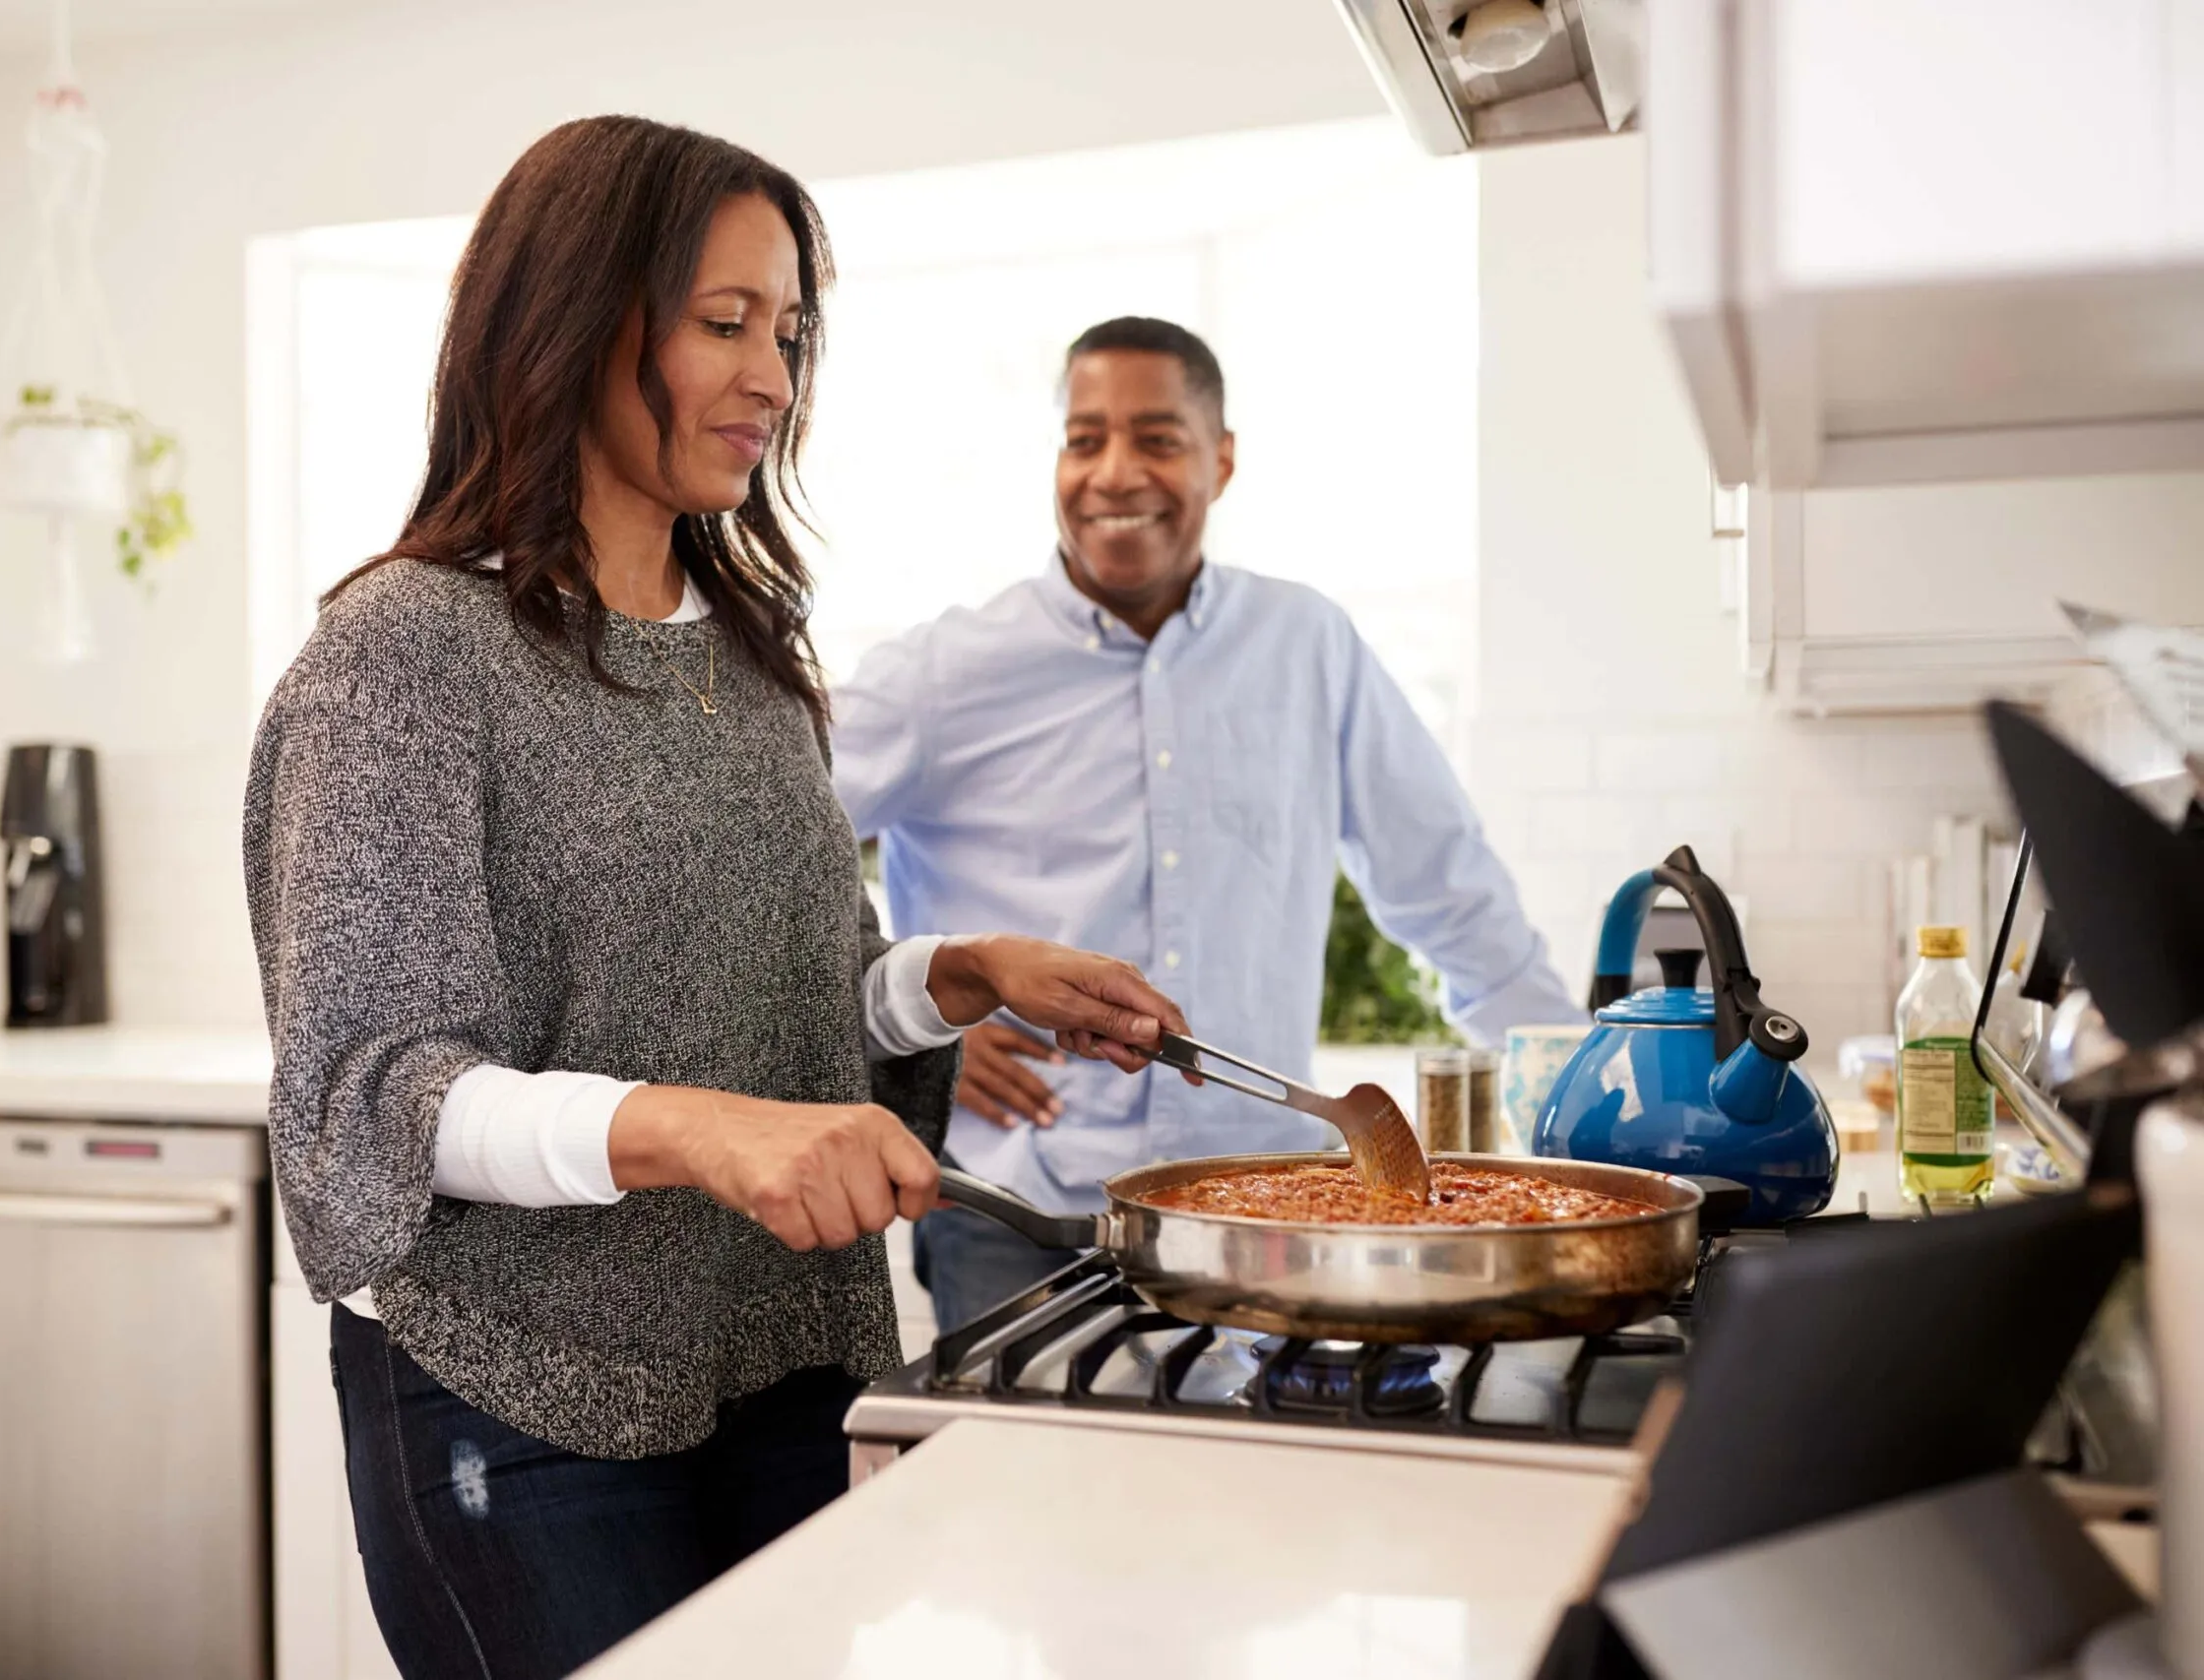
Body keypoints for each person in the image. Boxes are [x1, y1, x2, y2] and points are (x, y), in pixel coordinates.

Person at [243, 120, 1187, 1679]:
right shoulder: (404, 655)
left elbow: (780, 998)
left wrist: (955, 974)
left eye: (792, 333)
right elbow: (374, 1093)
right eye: (724, 322)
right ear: (570, 318)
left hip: (786, 1366)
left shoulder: (752, 654)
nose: (773, 378)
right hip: (526, 1406)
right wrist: (700, 1127)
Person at [831, 315, 1586, 1333]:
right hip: (1025, 1219)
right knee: (1025, 1493)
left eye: (1157, 438)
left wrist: (1585, 1109)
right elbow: (765, 852)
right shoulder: (944, 675)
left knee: (1257, 1489)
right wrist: (904, 1036)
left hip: (1265, 1206)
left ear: (1219, 460)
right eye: (1083, 438)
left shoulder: (1306, 646)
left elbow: (1447, 888)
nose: (1113, 473)